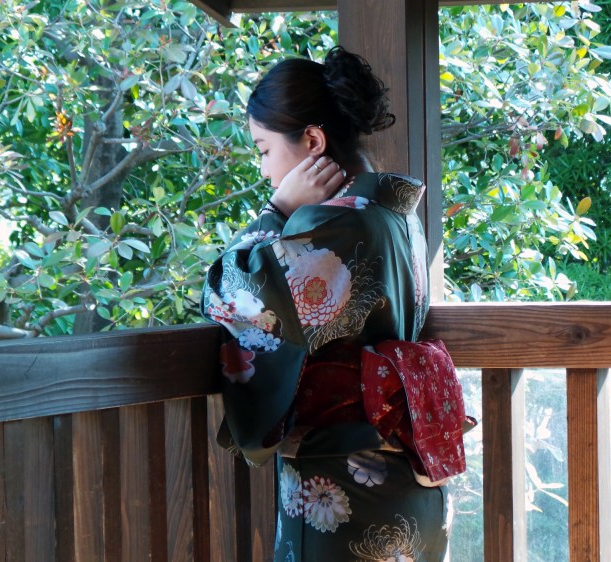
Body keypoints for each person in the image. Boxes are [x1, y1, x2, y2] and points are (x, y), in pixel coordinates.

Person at [201, 45, 474, 562]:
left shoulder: (330, 225)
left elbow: (226, 293)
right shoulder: (395, 213)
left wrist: (278, 208)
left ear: (312, 141)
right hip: (406, 477)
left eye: (263, 151)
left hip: (345, 476)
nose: (264, 171)